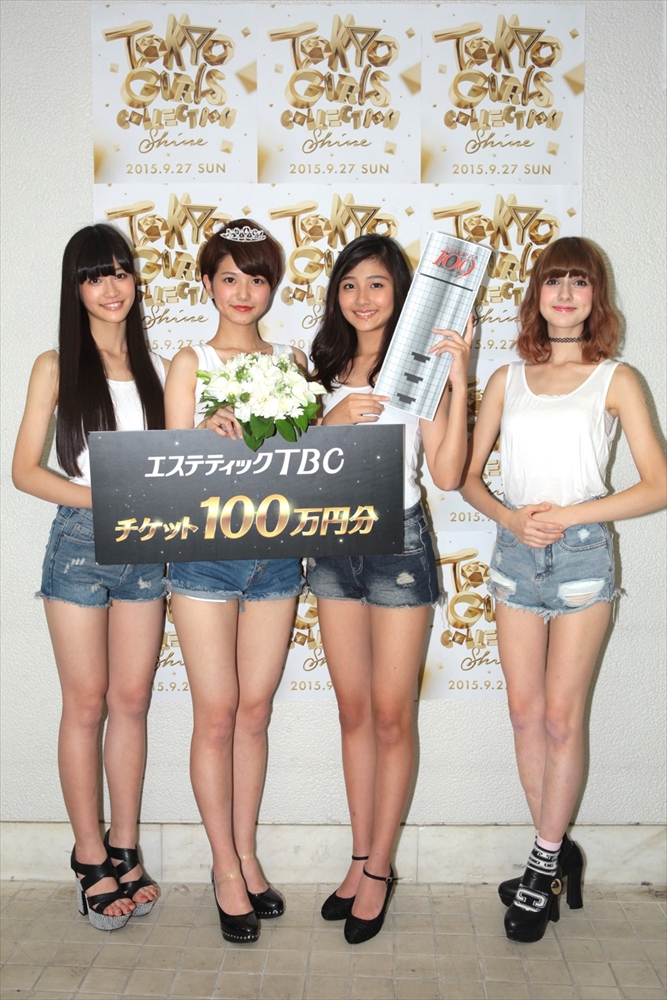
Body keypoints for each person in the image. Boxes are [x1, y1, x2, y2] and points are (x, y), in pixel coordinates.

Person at [461, 236, 667, 942]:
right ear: (537, 294)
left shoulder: (616, 379)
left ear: (595, 296)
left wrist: (571, 515)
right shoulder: (506, 379)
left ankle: (542, 863)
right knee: (524, 714)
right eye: (555, 281)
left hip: (581, 559)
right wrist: (511, 519)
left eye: (580, 282)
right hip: (513, 555)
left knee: (559, 717)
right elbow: (466, 476)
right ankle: (550, 857)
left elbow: (656, 486)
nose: (566, 294)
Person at [307, 233, 473, 944]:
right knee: (352, 714)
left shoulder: (418, 368)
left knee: (390, 716)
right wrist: (328, 419)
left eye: (376, 284)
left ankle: (379, 870)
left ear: (400, 292)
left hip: (396, 544)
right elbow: (290, 464)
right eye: (349, 285)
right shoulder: (318, 366)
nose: (362, 298)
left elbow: (447, 474)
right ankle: (358, 858)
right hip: (329, 543)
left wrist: (458, 379)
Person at [12, 224, 168, 930]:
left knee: (131, 701)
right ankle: (88, 854)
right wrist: (100, 497)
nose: (111, 287)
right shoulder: (56, 364)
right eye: (94, 275)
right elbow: (24, 471)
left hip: (146, 548)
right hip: (79, 543)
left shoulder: (155, 366)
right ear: (75, 288)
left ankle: (124, 846)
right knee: (85, 704)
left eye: (121, 272)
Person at [164, 219, 306, 944]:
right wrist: (202, 432)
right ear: (207, 284)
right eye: (229, 278)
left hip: (277, 558)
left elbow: (308, 466)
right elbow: (168, 471)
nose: (243, 292)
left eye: (256, 279)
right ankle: (223, 867)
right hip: (203, 557)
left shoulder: (292, 361)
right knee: (216, 713)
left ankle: (247, 856)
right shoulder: (188, 362)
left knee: (254, 712)